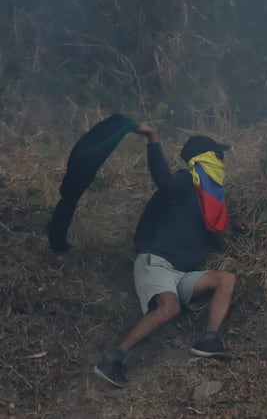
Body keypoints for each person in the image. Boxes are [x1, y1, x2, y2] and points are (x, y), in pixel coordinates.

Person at [93, 123, 237, 388]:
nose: (222, 161)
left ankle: (208, 339)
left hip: (181, 273)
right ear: (206, 157)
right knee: (169, 307)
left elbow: (213, 234)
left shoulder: (210, 198)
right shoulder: (184, 182)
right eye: (219, 155)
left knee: (225, 279)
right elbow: (163, 180)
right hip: (156, 262)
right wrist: (153, 139)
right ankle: (113, 359)